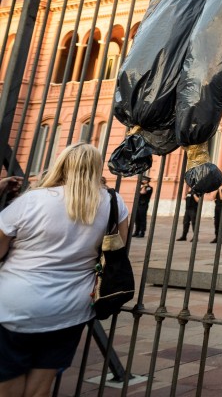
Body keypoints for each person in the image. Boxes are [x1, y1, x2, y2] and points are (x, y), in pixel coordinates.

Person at [0, 143, 128, 396]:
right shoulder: (113, 202)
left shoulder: (31, 200)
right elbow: (118, 249)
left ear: (61, 164)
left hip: (15, 305)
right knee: (41, 387)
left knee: (8, 379)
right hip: (71, 307)